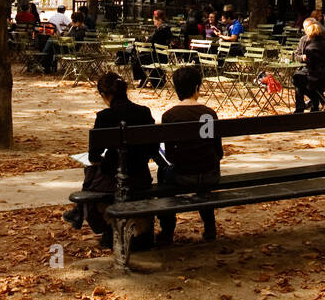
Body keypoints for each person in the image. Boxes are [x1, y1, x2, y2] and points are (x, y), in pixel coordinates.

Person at [63, 71, 157, 250]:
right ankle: (79, 209)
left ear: (105, 95)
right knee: (93, 170)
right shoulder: (144, 112)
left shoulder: (104, 117)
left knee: (90, 170)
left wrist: (108, 159)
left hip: (115, 180)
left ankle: (87, 216)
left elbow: (93, 157)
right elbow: (152, 150)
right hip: (141, 177)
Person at [155, 66, 223, 245]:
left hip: (183, 175)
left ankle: (167, 229)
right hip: (210, 174)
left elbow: (169, 154)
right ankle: (209, 226)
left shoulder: (170, 116)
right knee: (203, 171)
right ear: (196, 88)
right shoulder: (209, 114)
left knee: (163, 174)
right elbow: (218, 151)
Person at [292, 18, 325, 113]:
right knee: (299, 79)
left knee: (297, 79)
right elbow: (297, 55)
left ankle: (303, 107)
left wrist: (306, 60)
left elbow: (312, 66)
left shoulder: (313, 46)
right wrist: (301, 57)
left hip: (319, 75)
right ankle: (314, 105)